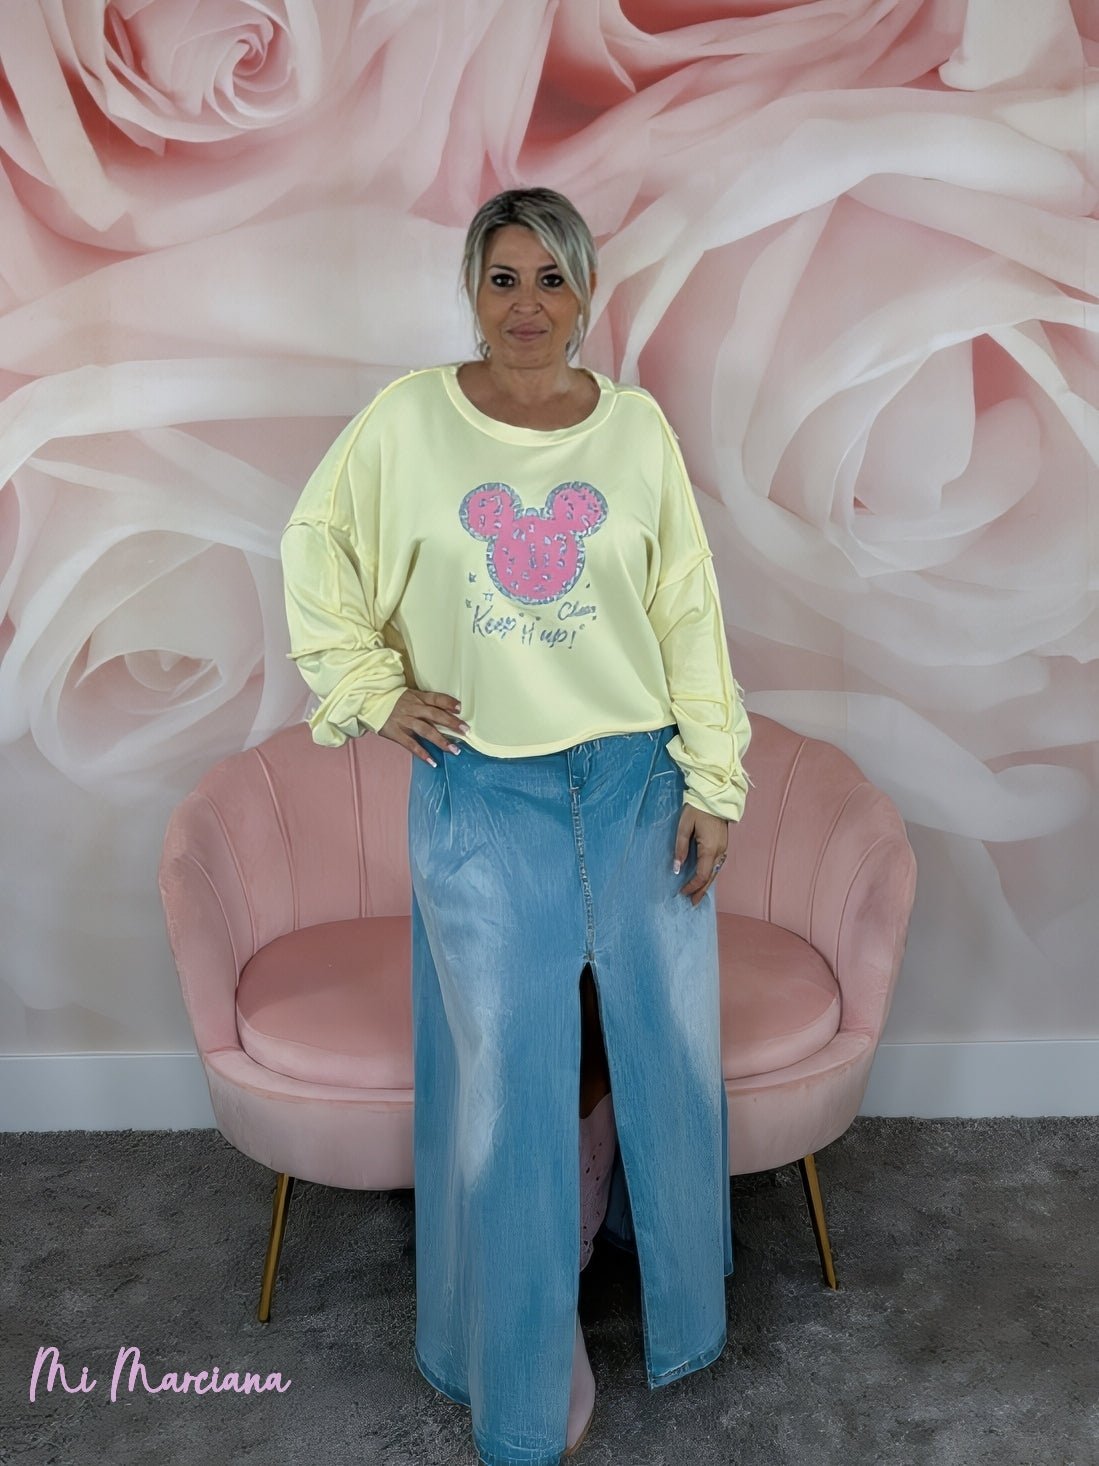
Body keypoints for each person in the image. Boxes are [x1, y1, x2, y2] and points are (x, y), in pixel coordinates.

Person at [280, 187, 752, 1466]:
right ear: (471, 291)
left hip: (637, 778)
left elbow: (687, 605)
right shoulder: (408, 422)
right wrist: (370, 687)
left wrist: (713, 779)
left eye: (551, 279)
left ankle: (661, 1293)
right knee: (503, 1084)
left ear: (586, 293)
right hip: (483, 791)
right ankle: (530, 1361)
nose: (527, 305)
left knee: (660, 1043)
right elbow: (316, 545)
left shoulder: (636, 431)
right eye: (503, 278)